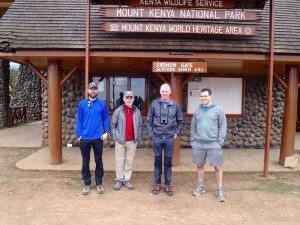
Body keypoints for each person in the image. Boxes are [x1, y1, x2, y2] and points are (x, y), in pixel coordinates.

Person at [146, 83, 184, 196]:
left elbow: (181, 121)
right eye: (162, 91)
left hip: (169, 138)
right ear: (160, 92)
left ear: (170, 92)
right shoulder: (154, 104)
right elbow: (148, 121)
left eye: (166, 91)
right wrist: (152, 135)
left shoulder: (175, 105)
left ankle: (168, 184)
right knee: (157, 161)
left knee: (168, 162)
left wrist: (176, 133)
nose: (164, 93)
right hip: (157, 137)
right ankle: (157, 183)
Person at [190, 88, 227, 202]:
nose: (203, 98)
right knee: (199, 165)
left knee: (218, 166)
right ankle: (201, 186)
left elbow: (223, 126)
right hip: (199, 144)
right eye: (201, 96)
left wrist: (219, 141)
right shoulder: (198, 111)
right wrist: (193, 141)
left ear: (210, 96)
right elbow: (193, 126)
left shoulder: (218, 110)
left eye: (205, 96)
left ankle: (219, 189)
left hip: (214, 144)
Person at [76, 82, 110, 195]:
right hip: (85, 138)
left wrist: (106, 132)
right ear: (88, 90)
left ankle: (99, 183)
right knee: (85, 162)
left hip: (97, 138)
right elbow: (79, 120)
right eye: (91, 89)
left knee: (98, 161)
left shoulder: (102, 104)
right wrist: (79, 135)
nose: (93, 91)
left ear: (97, 90)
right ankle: (87, 184)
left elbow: (106, 119)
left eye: (95, 89)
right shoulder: (82, 104)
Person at [110, 90, 143, 191]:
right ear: (123, 99)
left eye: (130, 98)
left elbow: (140, 125)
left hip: (132, 141)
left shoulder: (137, 111)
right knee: (119, 161)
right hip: (120, 141)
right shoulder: (118, 111)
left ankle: (127, 179)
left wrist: (138, 137)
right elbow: (112, 125)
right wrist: (115, 138)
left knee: (129, 161)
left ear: (133, 99)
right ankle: (119, 179)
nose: (129, 100)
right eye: (127, 98)